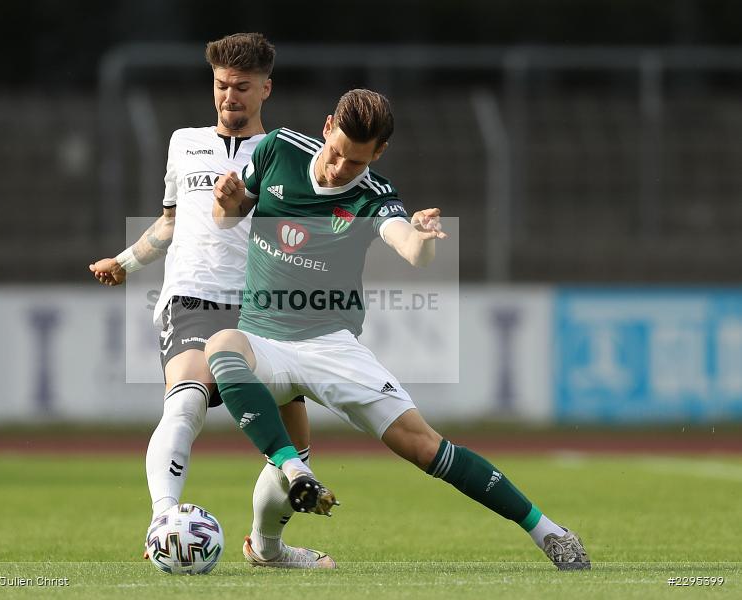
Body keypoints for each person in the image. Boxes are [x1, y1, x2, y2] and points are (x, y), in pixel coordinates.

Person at [205, 88, 591, 570]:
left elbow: (409, 246)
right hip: (265, 340)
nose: (339, 168)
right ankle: (288, 477)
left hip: (330, 346)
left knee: (425, 446)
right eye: (337, 152)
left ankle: (548, 532)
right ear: (327, 127)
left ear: (379, 153)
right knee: (221, 346)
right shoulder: (278, 148)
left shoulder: (374, 196)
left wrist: (424, 239)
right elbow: (228, 217)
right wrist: (227, 202)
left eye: (355, 162)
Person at [89, 32, 334, 569]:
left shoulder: (287, 154)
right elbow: (170, 223)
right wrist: (125, 262)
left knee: (294, 447)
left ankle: (267, 548)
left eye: (242, 87)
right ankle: (163, 520)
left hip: (265, 308)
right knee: (186, 400)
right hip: (194, 296)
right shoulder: (184, 142)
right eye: (222, 85)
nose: (230, 96)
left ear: (266, 89)